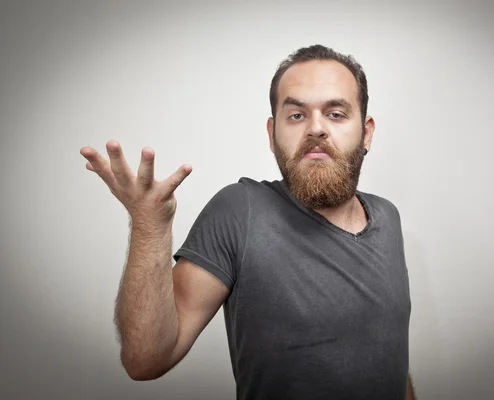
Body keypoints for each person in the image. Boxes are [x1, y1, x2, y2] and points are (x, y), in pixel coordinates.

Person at [80, 44, 415, 400]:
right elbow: (145, 361)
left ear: (366, 132)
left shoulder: (388, 218)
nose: (316, 128)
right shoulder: (240, 212)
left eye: (335, 113)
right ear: (272, 134)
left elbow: (390, 358)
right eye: (297, 115)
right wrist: (150, 226)